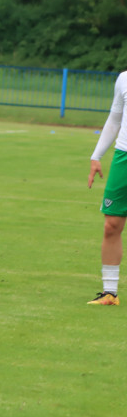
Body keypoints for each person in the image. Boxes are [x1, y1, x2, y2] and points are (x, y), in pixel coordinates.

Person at [87, 69, 127, 305]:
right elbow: (115, 118)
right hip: (124, 157)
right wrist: (96, 155)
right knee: (111, 224)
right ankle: (109, 293)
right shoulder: (124, 78)